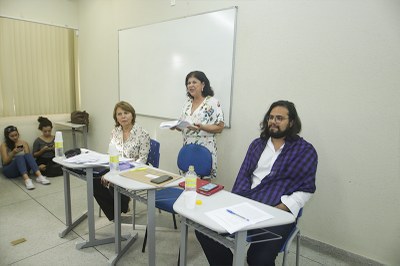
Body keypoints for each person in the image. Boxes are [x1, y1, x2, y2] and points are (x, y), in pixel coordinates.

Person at [195, 100, 317, 266]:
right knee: (204, 230)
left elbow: (306, 189)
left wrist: (279, 208)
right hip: (248, 203)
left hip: (279, 211)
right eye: (271, 117)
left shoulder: (305, 151)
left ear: (292, 122)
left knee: (259, 259)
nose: (273, 121)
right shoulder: (257, 145)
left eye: (279, 118)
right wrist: (241, 203)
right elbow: (243, 176)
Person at [93, 101, 151, 221]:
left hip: (134, 169)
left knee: (113, 180)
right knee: (95, 180)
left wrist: (118, 171)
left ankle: (120, 207)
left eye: (126, 113)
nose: (123, 116)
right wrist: (109, 170)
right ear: (116, 117)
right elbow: (111, 153)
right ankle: (118, 209)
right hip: (116, 167)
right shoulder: (115, 132)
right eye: (119, 114)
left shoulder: (143, 133)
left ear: (132, 115)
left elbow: (142, 160)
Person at [171, 70, 224, 179]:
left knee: (203, 187)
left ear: (203, 84)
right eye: (188, 83)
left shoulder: (212, 102)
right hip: (187, 149)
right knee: (186, 184)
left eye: (194, 82)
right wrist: (176, 126)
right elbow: (183, 125)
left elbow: (220, 127)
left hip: (204, 150)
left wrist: (201, 126)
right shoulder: (187, 103)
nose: (191, 85)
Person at [1, 125, 51, 190]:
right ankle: (27, 180)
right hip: (10, 170)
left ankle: (39, 176)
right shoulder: (4, 145)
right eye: (12, 136)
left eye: (16, 135)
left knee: (28, 155)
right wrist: (13, 152)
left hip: (24, 169)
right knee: (19, 157)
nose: (15, 137)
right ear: (7, 137)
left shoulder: (23, 143)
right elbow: (5, 162)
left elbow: (29, 159)